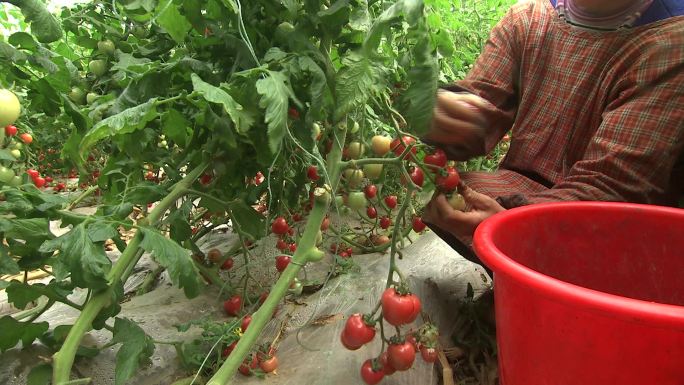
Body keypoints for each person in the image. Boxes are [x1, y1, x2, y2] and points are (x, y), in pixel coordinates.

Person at [422, 0, 684, 271]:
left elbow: (612, 188)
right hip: (529, 194)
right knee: (450, 196)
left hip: (610, 224)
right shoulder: (528, 19)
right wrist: (446, 116)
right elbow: (482, 104)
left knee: (600, 254)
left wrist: (517, 224)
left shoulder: (672, 44)